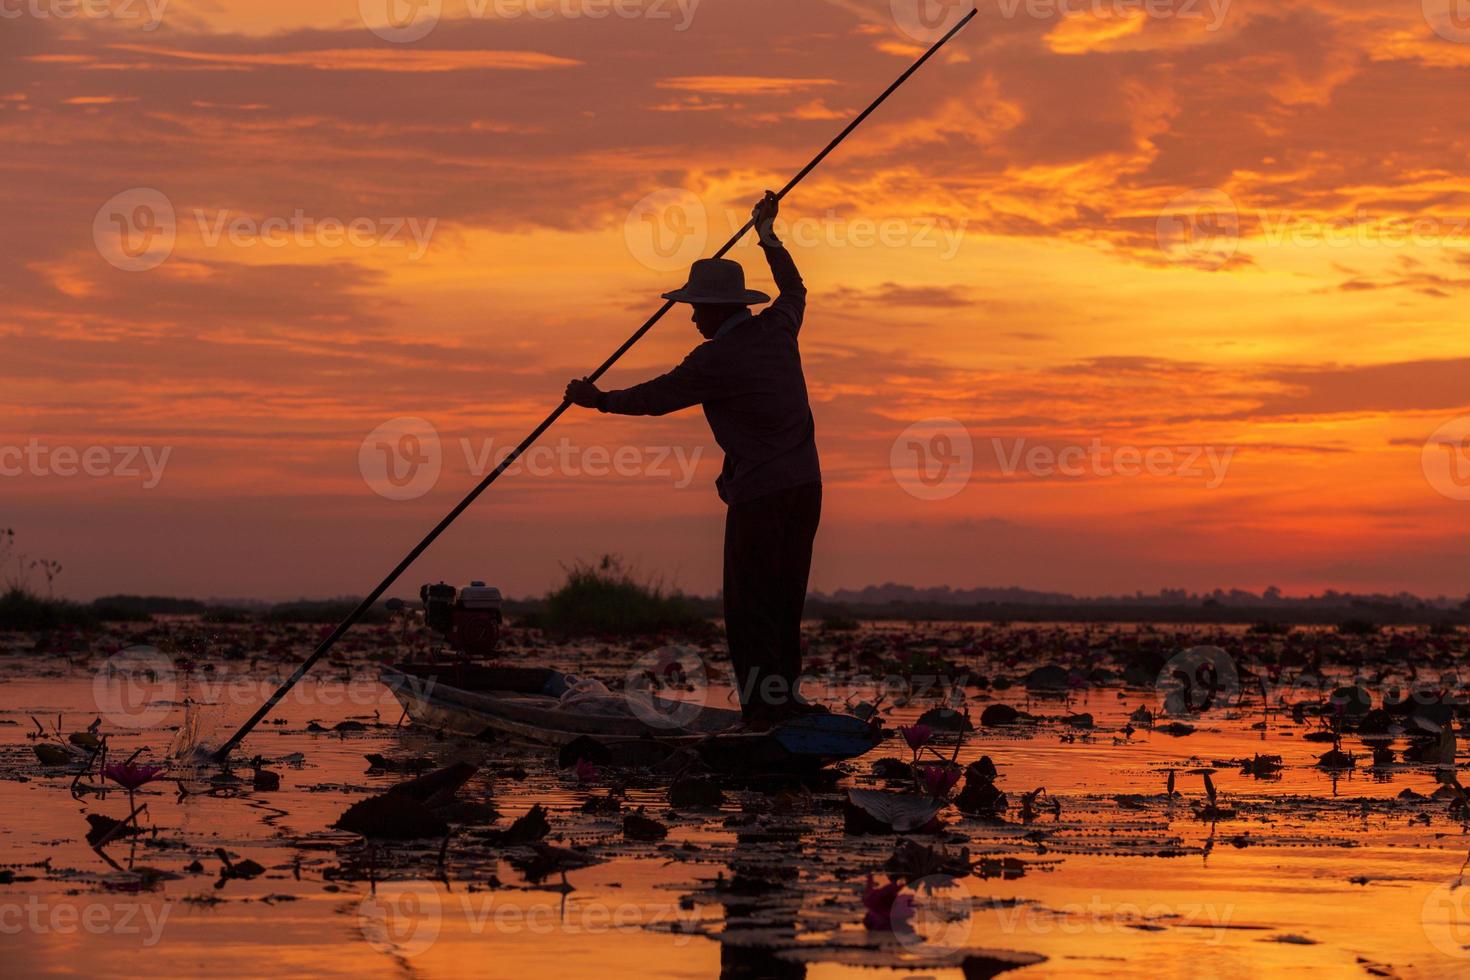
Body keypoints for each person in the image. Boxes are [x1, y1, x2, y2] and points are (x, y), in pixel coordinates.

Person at [565, 191, 822, 726]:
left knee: (751, 606)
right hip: (805, 488)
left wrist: (600, 401)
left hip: (761, 494)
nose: (692, 318)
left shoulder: (714, 359)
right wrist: (768, 235)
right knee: (785, 598)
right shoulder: (779, 327)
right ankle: (784, 699)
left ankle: (764, 709)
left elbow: (655, 398)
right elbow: (794, 288)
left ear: (717, 309)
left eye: (697, 308)